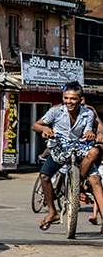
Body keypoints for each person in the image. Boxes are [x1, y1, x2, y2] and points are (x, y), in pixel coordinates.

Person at [32, 82, 98, 231]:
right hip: (59, 149)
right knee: (44, 176)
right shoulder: (55, 111)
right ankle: (52, 211)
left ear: (80, 99)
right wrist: (45, 128)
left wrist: (90, 133)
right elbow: (35, 125)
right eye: (66, 98)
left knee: (93, 174)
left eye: (73, 99)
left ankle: (78, 184)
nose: (69, 102)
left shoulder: (88, 113)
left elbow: (88, 129)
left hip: (78, 148)